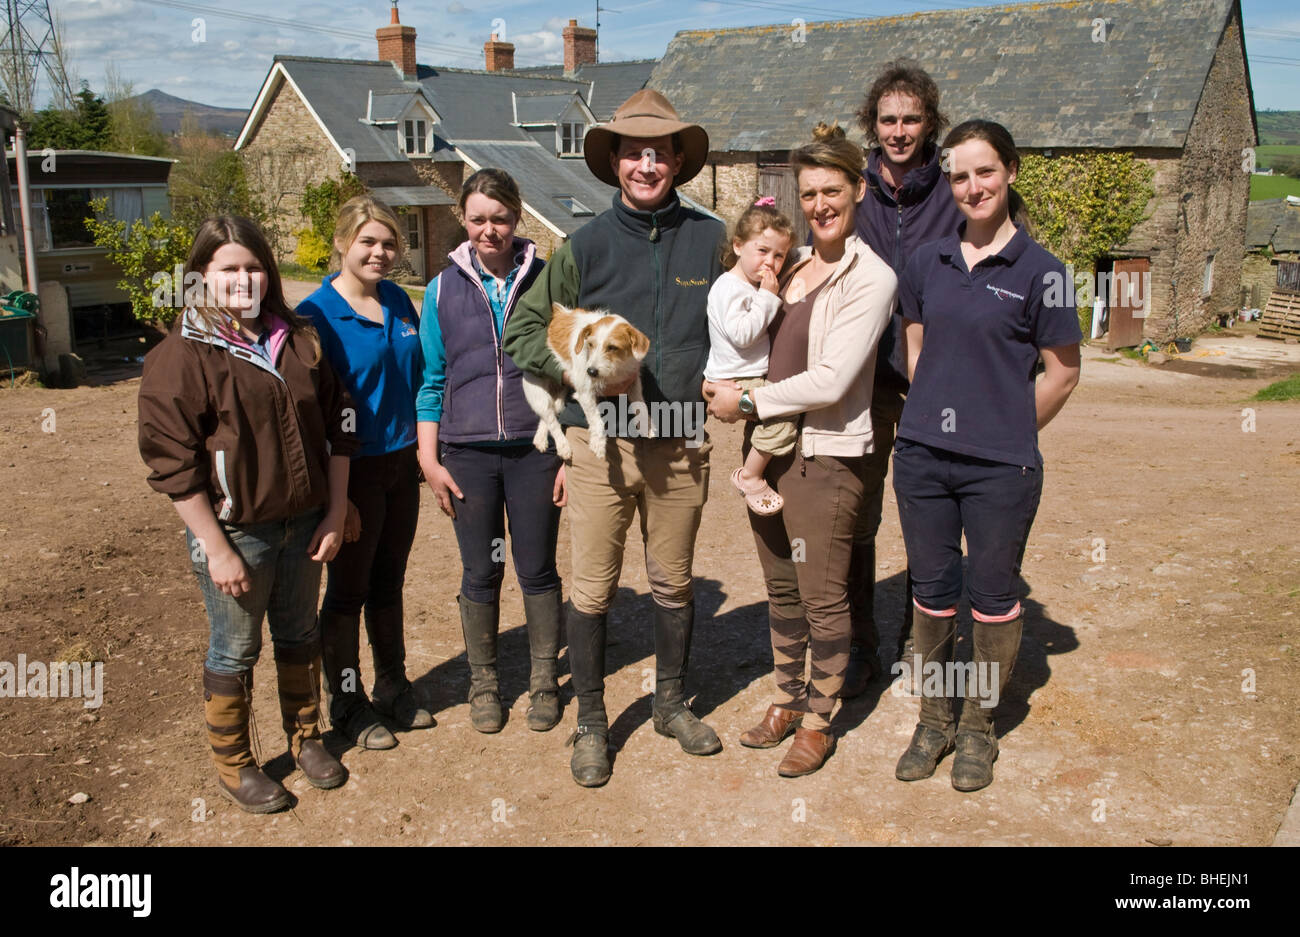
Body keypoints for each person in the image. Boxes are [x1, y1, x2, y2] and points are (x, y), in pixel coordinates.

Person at [502, 89, 725, 788]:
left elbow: (753, 313)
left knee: (674, 582)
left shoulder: (711, 240)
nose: (646, 163)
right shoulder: (583, 247)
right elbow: (522, 333)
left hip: (682, 442)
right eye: (633, 151)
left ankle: (668, 703)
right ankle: (592, 721)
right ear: (616, 162)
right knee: (594, 589)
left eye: (659, 151)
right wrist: (580, 376)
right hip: (602, 449)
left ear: (679, 159)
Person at [138, 215, 354, 812]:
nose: (243, 279)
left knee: (299, 632)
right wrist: (217, 545)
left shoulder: (301, 340)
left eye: (254, 266)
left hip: (306, 525)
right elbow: (174, 465)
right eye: (228, 268)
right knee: (235, 651)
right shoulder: (180, 356)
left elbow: (340, 426)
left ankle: (307, 738)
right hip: (238, 533)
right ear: (201, 275)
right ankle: (235, 765)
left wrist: (336, 510)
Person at [891, 119, 1081, 791]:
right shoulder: (926, 262)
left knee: (993, 597)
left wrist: (1004, 429)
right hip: (920, 457)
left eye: (985, 171)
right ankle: (933, 719)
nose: (973, 186)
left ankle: (977, 728)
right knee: (934, 593)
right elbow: (916, 350)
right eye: (960, 175)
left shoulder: (1045, 274)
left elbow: (1062, 372)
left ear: (1011, 172)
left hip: (1001, 467)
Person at [707, 123, 897, 777]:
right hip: (769, 451)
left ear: (858, 190)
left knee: (822, 595)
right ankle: (787, 698)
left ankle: (820, 719)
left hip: (825, 457)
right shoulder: (786, 267)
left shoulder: (870, 277)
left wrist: (749, 403)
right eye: (809, 192)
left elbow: (833, 380)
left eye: (832, 191)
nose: (820, 204)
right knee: (781, 589)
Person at [415, 168, 566, 735]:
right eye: (477, 218)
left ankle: (545, 682)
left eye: (499, 218)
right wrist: (430, 461)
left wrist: (568, 454)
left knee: (537, 569)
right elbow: (432, 380)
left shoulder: (548, 281)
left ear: (517, 216)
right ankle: (485, 684)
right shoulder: (440, 290)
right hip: (467, 454)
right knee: (481, 571)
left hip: (535, 451)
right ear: (463, 218)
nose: (489, 229)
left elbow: (569, 376)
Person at [842, 60, 965, 697]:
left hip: (932, 385)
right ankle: (861, 645)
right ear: (873, 124)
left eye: (911, 118)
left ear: (929, 122)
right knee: (858, 518)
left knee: (927, 518)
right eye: (887, 119)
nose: (898, 131)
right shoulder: (851, 188)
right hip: (861, 386)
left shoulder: (953, 192)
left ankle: (921, 645)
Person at [296, 195, 432, 751]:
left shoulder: (399, 301)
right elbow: (316, 411)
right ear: (341, 244)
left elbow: (422, 376)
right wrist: (338, 494)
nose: (380, 252)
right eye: (368, 242)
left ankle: (393, 685)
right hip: (351, 469)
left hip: (402, 466)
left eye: (389, 243)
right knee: (347, 591)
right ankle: (347, 701)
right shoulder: (315, 315)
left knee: (389, 582)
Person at [704, 197, 797, 516]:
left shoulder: (746, 285)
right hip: (739, 377)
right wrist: (768, 298)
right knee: (783, 419)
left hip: (743, 374)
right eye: (762, 251)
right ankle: (750, 475)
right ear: (738, 245)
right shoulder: (730, 288)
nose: (770, 262)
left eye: (779, 255)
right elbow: (743, 335)